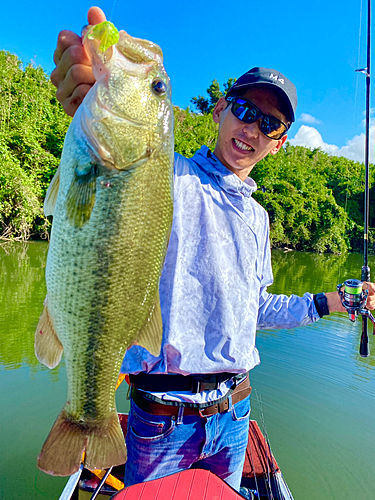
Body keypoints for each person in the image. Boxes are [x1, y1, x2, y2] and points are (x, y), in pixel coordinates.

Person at [51, 6, 375, 492]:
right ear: (221, 110)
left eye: (269, 124)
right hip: (162, 418)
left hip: (234, 417)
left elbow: (253, 309)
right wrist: (94, 100)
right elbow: (118, 172)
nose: (251, 129)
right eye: (245, 111)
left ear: (280, 143)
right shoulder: (168, 176)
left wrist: (333, 300)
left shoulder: (259, 218)